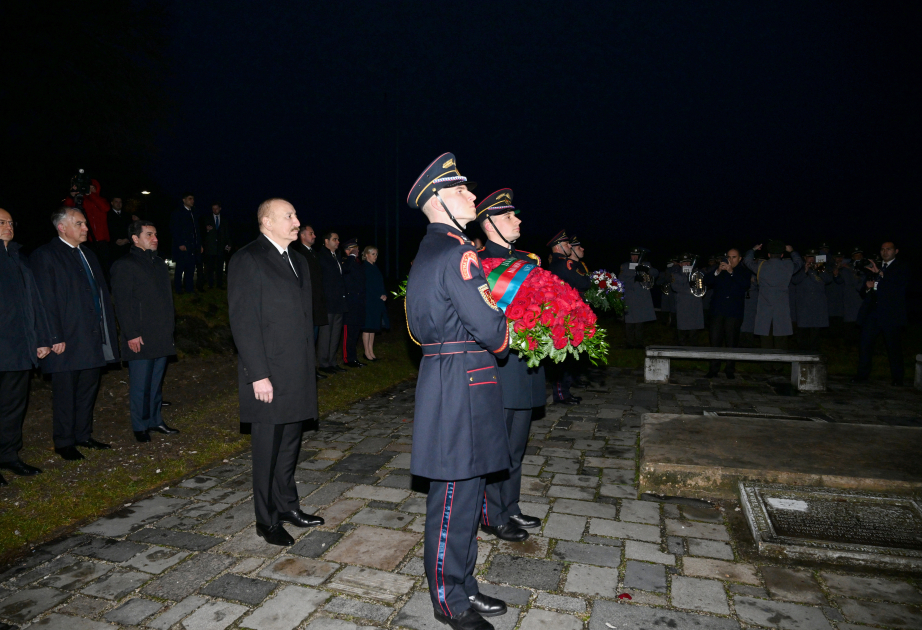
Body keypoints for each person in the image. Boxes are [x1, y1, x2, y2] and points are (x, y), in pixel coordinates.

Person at [406, 154, 512, 630]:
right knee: (451, 499)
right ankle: (448, 600)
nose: (472, 195)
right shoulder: (457, 254)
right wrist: (506, 324)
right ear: (440, 198)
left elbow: (418, 327)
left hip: (451, 377)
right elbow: (492, 327)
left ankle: (464, 585)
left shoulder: (430, 252)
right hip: (461, 382)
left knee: (466, 495)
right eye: (463, 189)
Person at [228, 198, 324, 546]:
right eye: (289, 216)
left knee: (289, 447)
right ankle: (265, 520)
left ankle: (287, 507)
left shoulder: (298, 260)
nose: (297, 221)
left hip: (297, 370)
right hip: (268, 373)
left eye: (297, 214)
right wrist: (258, 374)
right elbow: (243, 321)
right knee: (267, 451)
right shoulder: (248, 259)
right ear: (266, 222)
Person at [475, 188, 545, 544]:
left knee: (516, 446)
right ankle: (493, 515)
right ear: (488, 224)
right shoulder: (476, 263)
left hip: (526, 366)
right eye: (508, 217)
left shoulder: (529, 260)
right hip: (498, 367)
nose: (517, 220)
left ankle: (510, 505)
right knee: (496, 446)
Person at [31, 207, 120, 460]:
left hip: (91, 336)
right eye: (80, 224)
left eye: (84, 224)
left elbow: (100, 295)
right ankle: (64, 441)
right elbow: (44, 300)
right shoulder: (46, 255)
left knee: (87, 390)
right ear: (62, 227)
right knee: (65, 393)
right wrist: (53, 336)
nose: (86, 228)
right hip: (65, 339)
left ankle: (83, 434)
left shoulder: (89, 254)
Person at [110, 220, 179, 443]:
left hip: (161, 334)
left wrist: (170, 331)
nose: (155, 238)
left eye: (156, 234)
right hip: (140, 336)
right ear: (135, 239)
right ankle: (139, 426)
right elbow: (123, 303)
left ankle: (155, 419)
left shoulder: (158, 264)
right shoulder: (125, 265)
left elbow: (165, 302)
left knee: (156, 382)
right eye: (149, 234)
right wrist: (131, 333)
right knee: (141, 384)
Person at [0, 208, 55, 482]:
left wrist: (42, 339)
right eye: (1, 222)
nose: (8, 226)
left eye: (10, 222)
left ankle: (9, 456)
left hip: (19, 349)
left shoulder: (20, 260)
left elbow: (36, 303)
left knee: (13, 406)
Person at [854, 242, 908, 385]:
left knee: (893, 347)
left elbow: (898, 285)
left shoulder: (900, 267)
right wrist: (867, 287)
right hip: (872, 313)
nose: (885, 252)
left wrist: (880, 274)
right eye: (882, 249)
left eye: (888, 249)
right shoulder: (875, 267)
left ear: (896, 251)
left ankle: (898, 378)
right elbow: (864, 292)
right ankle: (862, 376)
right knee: (865, 345)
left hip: (891, 315)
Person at [547, 230, 587, 405]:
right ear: (558, 247)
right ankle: (561, 395)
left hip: (563, 312)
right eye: (566, 244)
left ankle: (565, 391)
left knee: (566, 355)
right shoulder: (565, 264)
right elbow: (585, 283)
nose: (570, 246)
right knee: (563, 357)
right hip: (566, 314)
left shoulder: (557, 264)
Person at [743, 242, 803, 351]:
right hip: (781, 308)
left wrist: (753, 249)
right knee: (781, 338)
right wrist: (793, 251)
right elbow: (799, 263)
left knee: (765, 338)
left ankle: (767, 365)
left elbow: (747, 261)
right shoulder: (788, 265)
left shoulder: (761, 266)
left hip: (765, 307)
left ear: (769, 255)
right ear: (782, 255)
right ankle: (779, 365)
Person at [703, 249, 751, 378]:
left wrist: (731, 272)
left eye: (734, 257)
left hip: (733, 312)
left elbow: (745, 284)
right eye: (729, 257)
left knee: (731, 342)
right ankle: (713, 369)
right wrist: (718, 271)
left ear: (740, 258)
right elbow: (706, 281)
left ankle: (729, 370)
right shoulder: (718, 269)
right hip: (717, 310)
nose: (731, 260)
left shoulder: (744, 271)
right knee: (715, 341)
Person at [290, 224, 328, 379]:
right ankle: (306, 371)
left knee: (313, 339)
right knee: (306, 340)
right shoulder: (298, 254)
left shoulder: (313, 254)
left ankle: (312, 370)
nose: (314, 236)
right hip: (307, 304)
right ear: (302, 236)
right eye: (311, 233)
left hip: (316, 303)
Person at [316, 231, 347, 374]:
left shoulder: (337, 256)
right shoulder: (321, 257)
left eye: (338, 239)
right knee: (325, 334)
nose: (338, 242)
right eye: (335, 239)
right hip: (328, 303)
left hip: (339, 303)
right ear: (326, 241)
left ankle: (332, 361)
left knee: (335, 334)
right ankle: (323, 363)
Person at [791, 250, 833, 352]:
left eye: (814, 257)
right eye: (809, 256)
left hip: (818, 305)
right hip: (804, 305)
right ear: (804, 258)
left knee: (815, 332)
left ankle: (814, 352)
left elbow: (829, 280)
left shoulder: (821, 268)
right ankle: (802, 353)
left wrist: (820, 269)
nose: (812, 259)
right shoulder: (799, 268)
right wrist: (805, 270)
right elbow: (794, 280)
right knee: (803, 332)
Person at [620, 246, 659, 349]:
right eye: (633, 255)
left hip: (642, 297)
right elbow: (621, 279)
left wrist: (647, 270)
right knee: (629, 322)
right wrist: (634, 278)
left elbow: (656, 273)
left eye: (637, 255)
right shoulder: (625, 266)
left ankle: (639, 343)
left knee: (640, 322)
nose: (635, 257)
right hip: (630, 296)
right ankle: (629, 343)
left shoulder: (646, 264)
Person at [341, 238, 366, 368]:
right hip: (349, 304)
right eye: (353, 248)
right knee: (348, 334)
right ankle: (347, 358)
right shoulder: (345, 261)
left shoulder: (357, 263)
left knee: (355, 334)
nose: (357, 251)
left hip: (358, 304)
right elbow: (345, 270)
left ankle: (353, 358)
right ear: (347, 250)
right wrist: (351, 255)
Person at [169, 193, 202, 295]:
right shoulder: (178, 212)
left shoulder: (194, 212)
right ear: (184, 200)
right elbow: (175, 229)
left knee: (191, 268)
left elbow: (197, 230)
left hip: (193, 246)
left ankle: (189, 288)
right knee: (180, 268)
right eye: (190, 199)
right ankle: (178, 289)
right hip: (183, 246)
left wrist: (199, 244)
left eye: (193, 199)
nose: (192, 201)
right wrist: (180, 243)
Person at [670, 253, 704, 346]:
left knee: (694, 331)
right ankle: (682, 349)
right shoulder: (675, 274)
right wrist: (689, 288)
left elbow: (701, 288)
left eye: (688, 262)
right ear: (680, 264)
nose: (687, 264)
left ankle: (693, 349)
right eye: (684, 262)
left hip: (695, 304)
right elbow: (675, 287)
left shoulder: (697, 273)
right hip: (683, 304)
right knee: (682, 330)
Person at [361, 246, 387, 361]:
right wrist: (378, 295)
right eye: (373, 254)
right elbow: (367, 286)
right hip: (369, 301)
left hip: (377, 302)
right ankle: (366, 352)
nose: (375, 256)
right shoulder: (364, 267)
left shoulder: (374, 267)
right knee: (367, 327)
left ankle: (371, 351)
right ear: (366, 255)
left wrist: (384, 294)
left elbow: (380, 283)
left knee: (373, 327)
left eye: (376, 254)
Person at [201, 202, 232, 289]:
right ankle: (210, 284)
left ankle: (219, 284)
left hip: (221, 247)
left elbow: (227, 233)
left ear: (220, 208)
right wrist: (206, 230)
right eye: (213, 209)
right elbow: (201, 232)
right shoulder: (207, 219)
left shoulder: (224, 220)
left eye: (216, 208)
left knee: (220, 267)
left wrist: (229, 244)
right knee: (210, 267)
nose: (215, 210)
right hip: (210, 247)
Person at [107, 195, 133, 264]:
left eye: (120, 202)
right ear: (112, 203)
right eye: (116, 202)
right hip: (113, 247)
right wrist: (115, 240)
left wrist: (128, 239)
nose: (118, 204)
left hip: (126, 246)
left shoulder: (127, 215)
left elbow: (131, 228)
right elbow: (108, 230)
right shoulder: (107, 215)